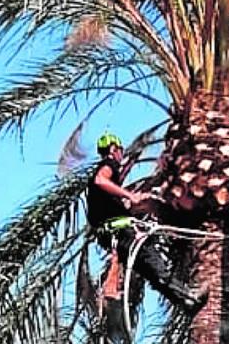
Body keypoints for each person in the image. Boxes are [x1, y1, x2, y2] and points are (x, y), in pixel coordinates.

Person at [87, 132, 205, 313]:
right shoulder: (108, 166)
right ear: (113, 150)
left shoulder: (103, 191)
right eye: (120, 151)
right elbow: (100, 180)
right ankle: (189, 295)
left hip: (113, 234)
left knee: (151, 272)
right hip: (121, 232)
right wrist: (130, 196)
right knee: (154, 262)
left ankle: (185, 303)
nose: (121, 155)